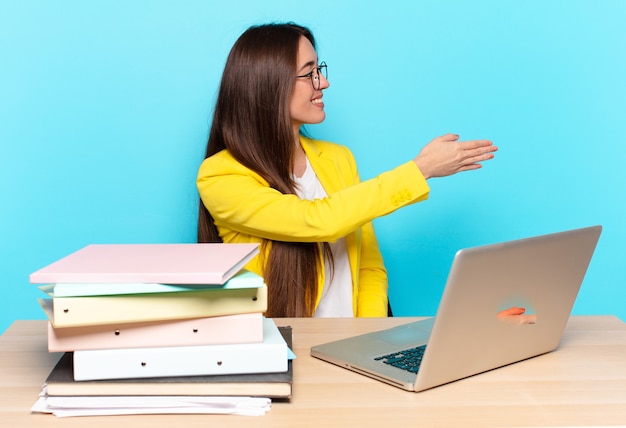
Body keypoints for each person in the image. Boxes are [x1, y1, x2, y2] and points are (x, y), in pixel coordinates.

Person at [196, 22, 497, 318]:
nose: (322, 83)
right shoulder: (220, 175)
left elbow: (369, 267)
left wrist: (365, 340)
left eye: (319, 70)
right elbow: (319, 221)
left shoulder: (339, 159)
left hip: (349, 348)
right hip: (279, 350)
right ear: (269, 84)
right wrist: (420, 170)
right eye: (309, 74)